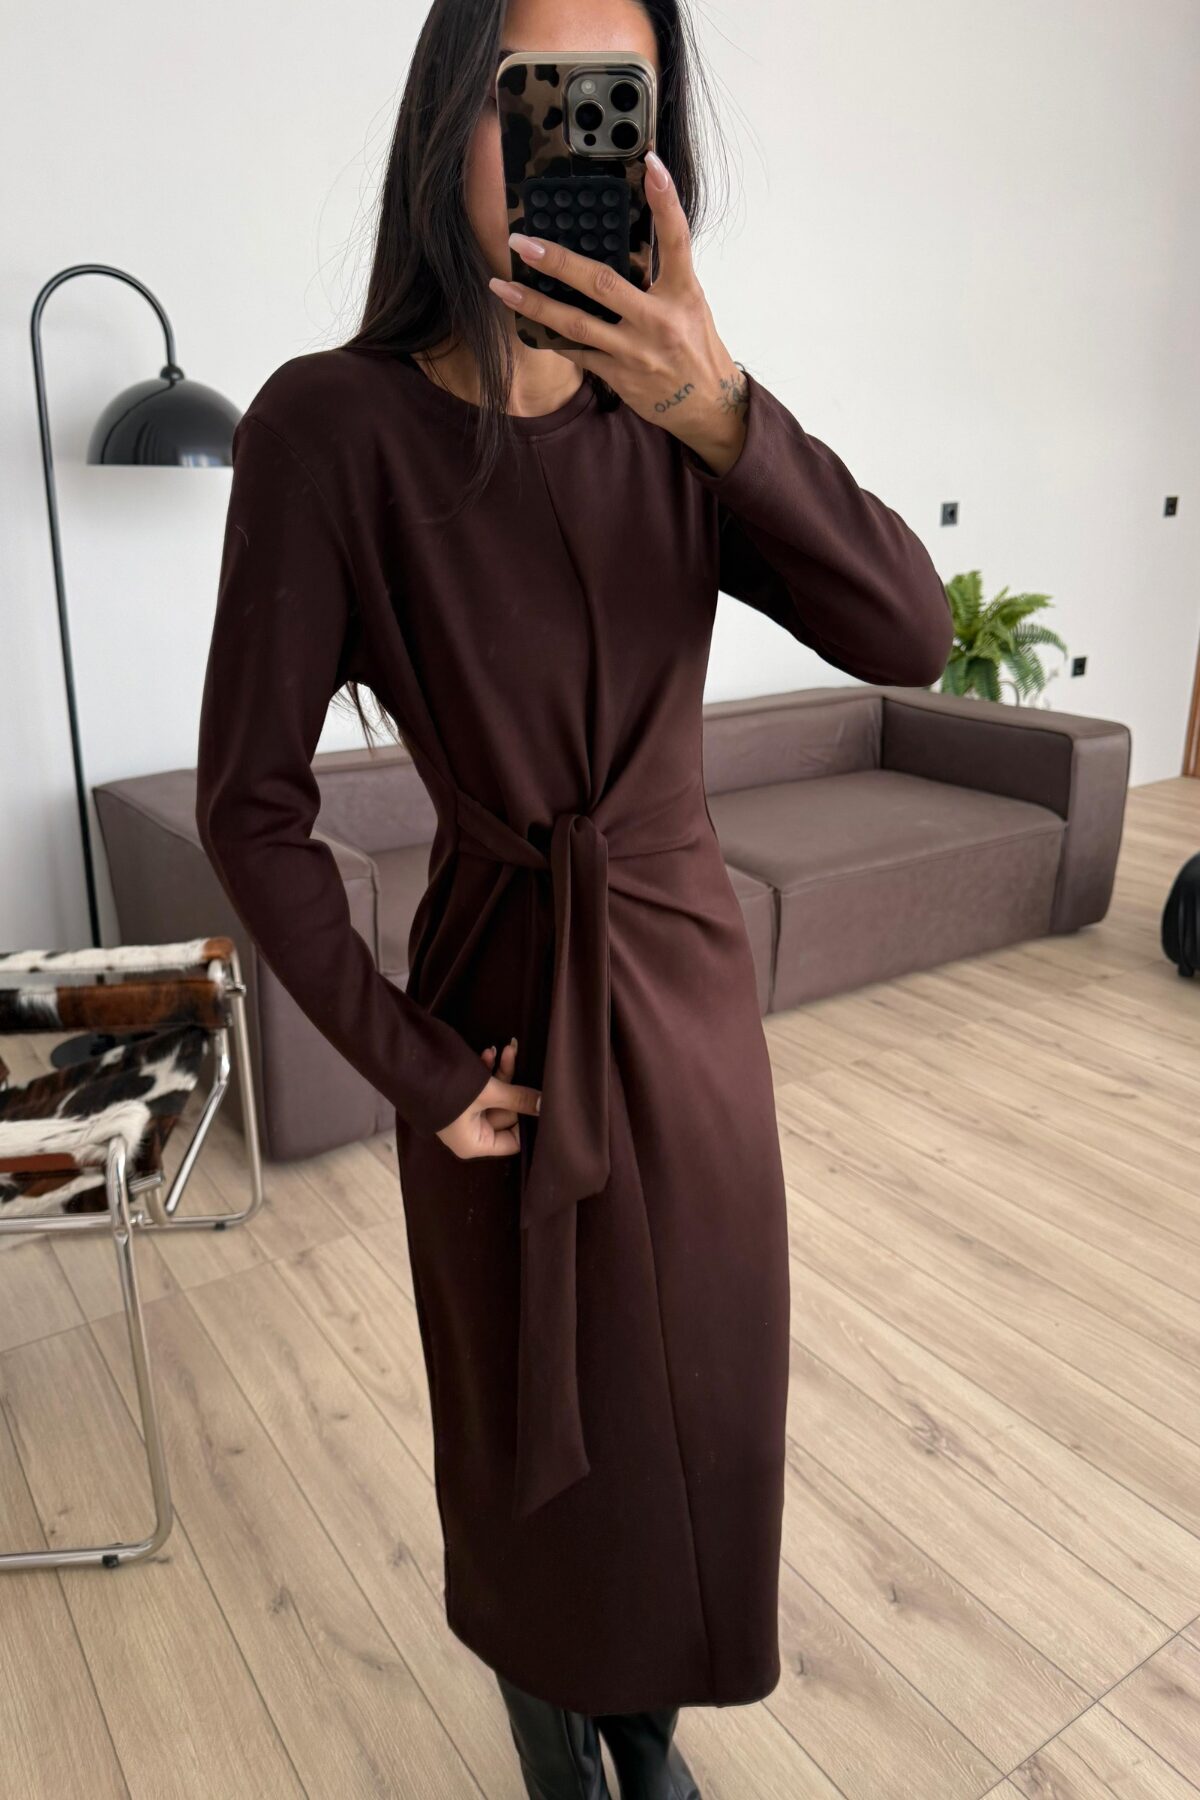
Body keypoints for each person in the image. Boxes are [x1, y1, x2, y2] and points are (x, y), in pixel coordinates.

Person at [195, 0, 954, 1793]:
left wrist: (719, 405)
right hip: (497, 1006)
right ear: (448, 118)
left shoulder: (677, 417)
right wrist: (415, 1067)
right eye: (532, 95)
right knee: (540, 1420)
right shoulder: (329, 428)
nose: (575, 138)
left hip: (685, 995)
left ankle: (650, 1729)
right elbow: (252, 808)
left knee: (701, 1405)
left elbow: (910, 633)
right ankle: (563, 1730)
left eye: (618, 100)